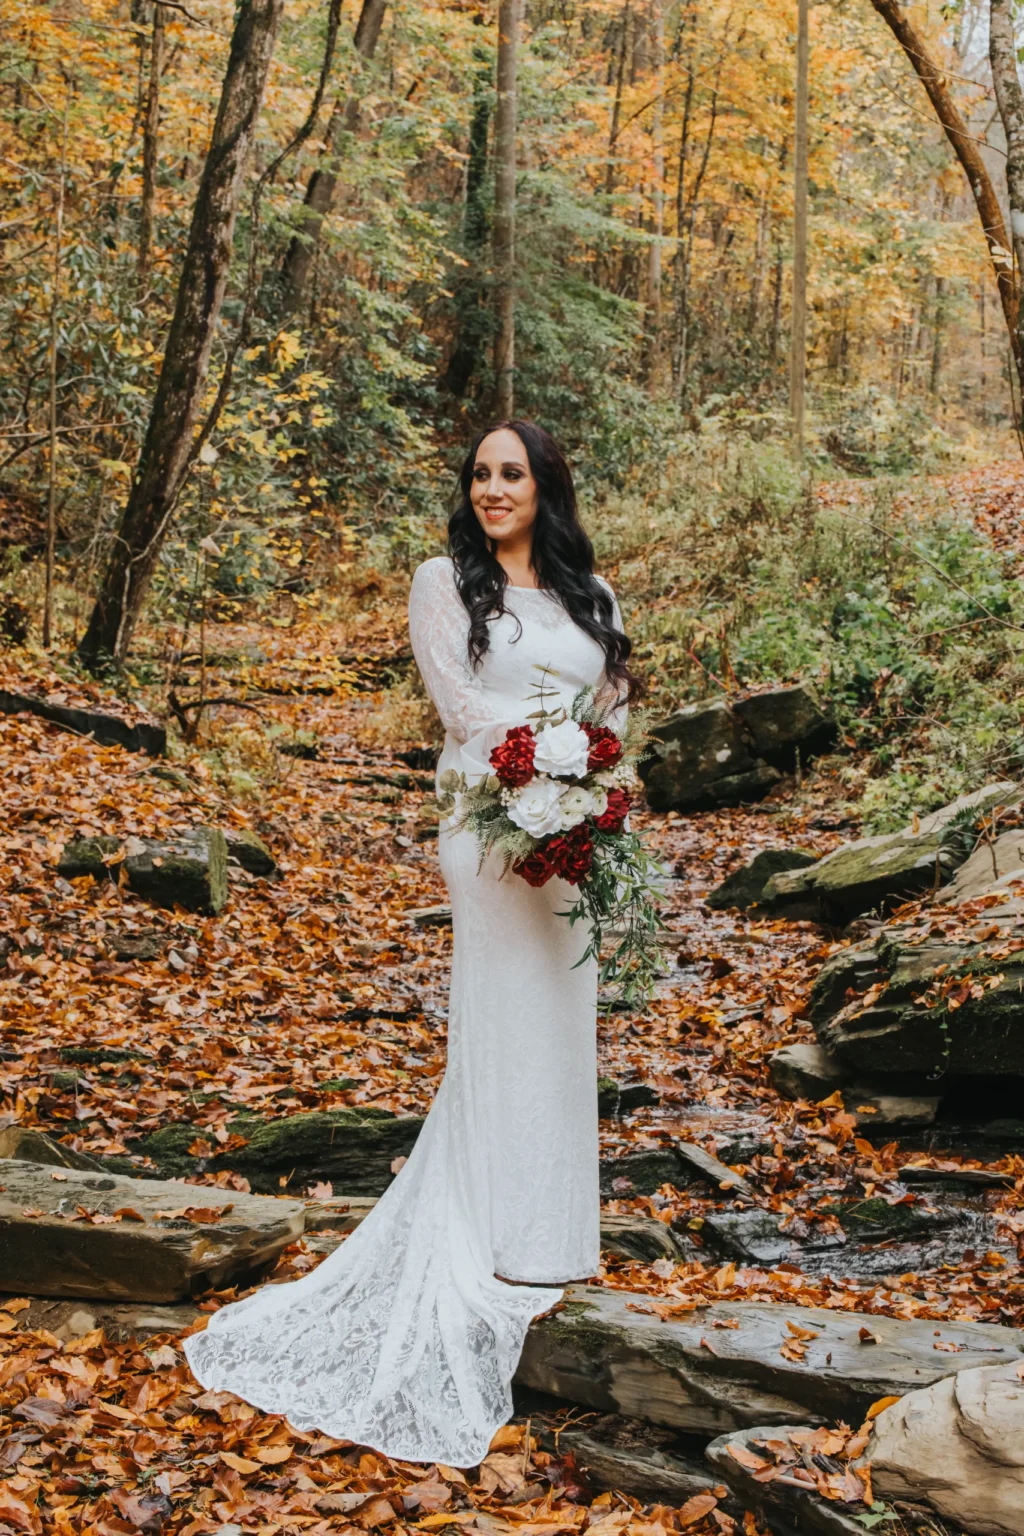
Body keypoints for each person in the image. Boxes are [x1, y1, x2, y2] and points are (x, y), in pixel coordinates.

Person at [183, 420, 643, 1466]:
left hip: (572, 837)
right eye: (479, 474)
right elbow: (459, 704)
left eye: (510, 473)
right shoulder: (446, 581)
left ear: (545, 486)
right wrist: (534, 766)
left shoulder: (593, 596)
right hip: (485, 828)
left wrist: (590, 785)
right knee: (500, 1018)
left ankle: (549, 1244)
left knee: (562, 1018)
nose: (491, 489)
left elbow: (609, 707)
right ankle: (484, 1241)